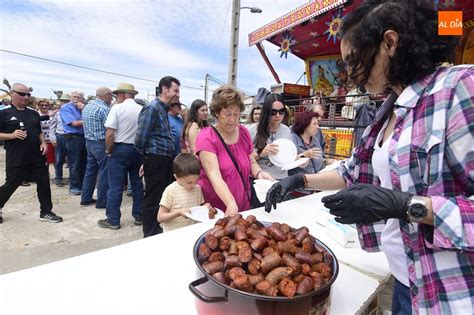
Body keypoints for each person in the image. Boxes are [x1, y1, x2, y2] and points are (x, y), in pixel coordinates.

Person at [265, 1, 473, 314]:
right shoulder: (389, 110)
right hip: (405, 284)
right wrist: (300, 179)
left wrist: (405, 206)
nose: (346, 73)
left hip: (450, 295)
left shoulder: (459, 88)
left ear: (389, 43)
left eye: (352, 59)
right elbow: (352, 172)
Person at [196, 85, 273, 216]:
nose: (232, 119)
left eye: (236, 114)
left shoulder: (243, 132)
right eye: (227, 114)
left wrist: (259, 173)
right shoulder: (207, 137)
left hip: (243, 202)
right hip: (218, 208)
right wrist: (230, 203)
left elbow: (251, 162)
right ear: (216, 113)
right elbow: (214, 175)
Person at [0, 83, 62, 224]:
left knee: (44, 183)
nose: (26, 97)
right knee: (11, 185)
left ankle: (46, 212)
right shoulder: (4, 113)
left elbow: (39, 130)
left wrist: (44, 143)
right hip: (17, 157)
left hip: (37, 156)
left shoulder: (33, 112)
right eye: (22, 94)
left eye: (28, 94)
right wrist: (11, 135)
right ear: (12, 93)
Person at [135, 76, 179, 237]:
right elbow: (140, 139)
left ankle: (157, 228)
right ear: (165, 89)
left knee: (161, 196)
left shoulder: (162, 109)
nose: (177, 95)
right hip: (156, 159)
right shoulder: (152, 108)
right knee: (153, 198)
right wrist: (147, 159)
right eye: (175, 90)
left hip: (163, 159)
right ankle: (150, 233)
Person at [97, 83, 143, 230]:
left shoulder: (117, 108)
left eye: (117, 95)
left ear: (122, 94)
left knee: (115, 186)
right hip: (137, 150)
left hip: (120, 149)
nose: (116, 97)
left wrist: (108, 150)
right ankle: (139, 215)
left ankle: (113, 219)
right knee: (137, 184)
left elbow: (110, 133)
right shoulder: (142, 109)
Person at [80, 87, 113, 208]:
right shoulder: (103, 109)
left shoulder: (87, 106)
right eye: (111, 95)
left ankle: (86, 197)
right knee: (104, 172)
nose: (111, 98)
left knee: (90, 171)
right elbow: (109, 129)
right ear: (106, 95)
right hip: (100, 142)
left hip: (89, 141)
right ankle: (102, 201)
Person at [248, 93, 292, 180]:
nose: (278, 115)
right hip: (260, 178)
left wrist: (301, 158)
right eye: (273, 112)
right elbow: (246, 159)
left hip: (281, 178)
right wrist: (261, 154)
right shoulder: (253, 129)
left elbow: (288, 155)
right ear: (266, 111)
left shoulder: (286, 130)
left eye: (281, 111)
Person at [157, 153, 205, 232]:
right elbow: (160, 217)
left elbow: (197, 209)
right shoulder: (170, 191)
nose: (193, 185)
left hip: (192, 231)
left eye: (196, 180)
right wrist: (178, 213)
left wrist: (205, 208)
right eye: (189, 182)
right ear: (176, 177)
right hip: (173, 234)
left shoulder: (197, 189)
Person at [288, 111, 324, 196]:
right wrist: (304, 155)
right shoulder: (292, 140)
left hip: (315, 188)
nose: (317, 127)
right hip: (297, 190)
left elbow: (319, 159)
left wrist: (326, 161)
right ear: (305, 124)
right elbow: (286, 162)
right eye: (314, 124)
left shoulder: (315, 139)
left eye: (318, 124)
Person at [60, 90, 87, 195]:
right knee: (74, 163)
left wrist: (84, 109)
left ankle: (82, 185)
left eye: (79, 97)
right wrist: (89, 120)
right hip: (73, 137)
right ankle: (74, 187)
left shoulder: (83, 107)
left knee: (84, 163)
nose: (76, 99)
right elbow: (74, 123)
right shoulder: (66, 107)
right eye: (74, 97)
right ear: (71, 97)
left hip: (84, 137)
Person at [50, 94, 69, 187]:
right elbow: (52, 127)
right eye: (63, 101)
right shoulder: (57, 113)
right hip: (60, 137)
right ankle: (58, 178)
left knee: (73, 160)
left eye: (67, 101)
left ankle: (73, 178)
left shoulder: (74, 113)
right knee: (59, 159)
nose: (65, 103)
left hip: (71, 137)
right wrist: (53, 139)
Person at [36, 98, 56, 169]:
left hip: (53, 140)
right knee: (44, 161)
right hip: (42, 141)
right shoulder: (36, 114)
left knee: (55, 160)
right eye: (42, 105)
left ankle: (58, 177)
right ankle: (46, 177)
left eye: (46, 105)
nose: (44, 107)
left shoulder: (53, 113)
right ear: (38, 105)